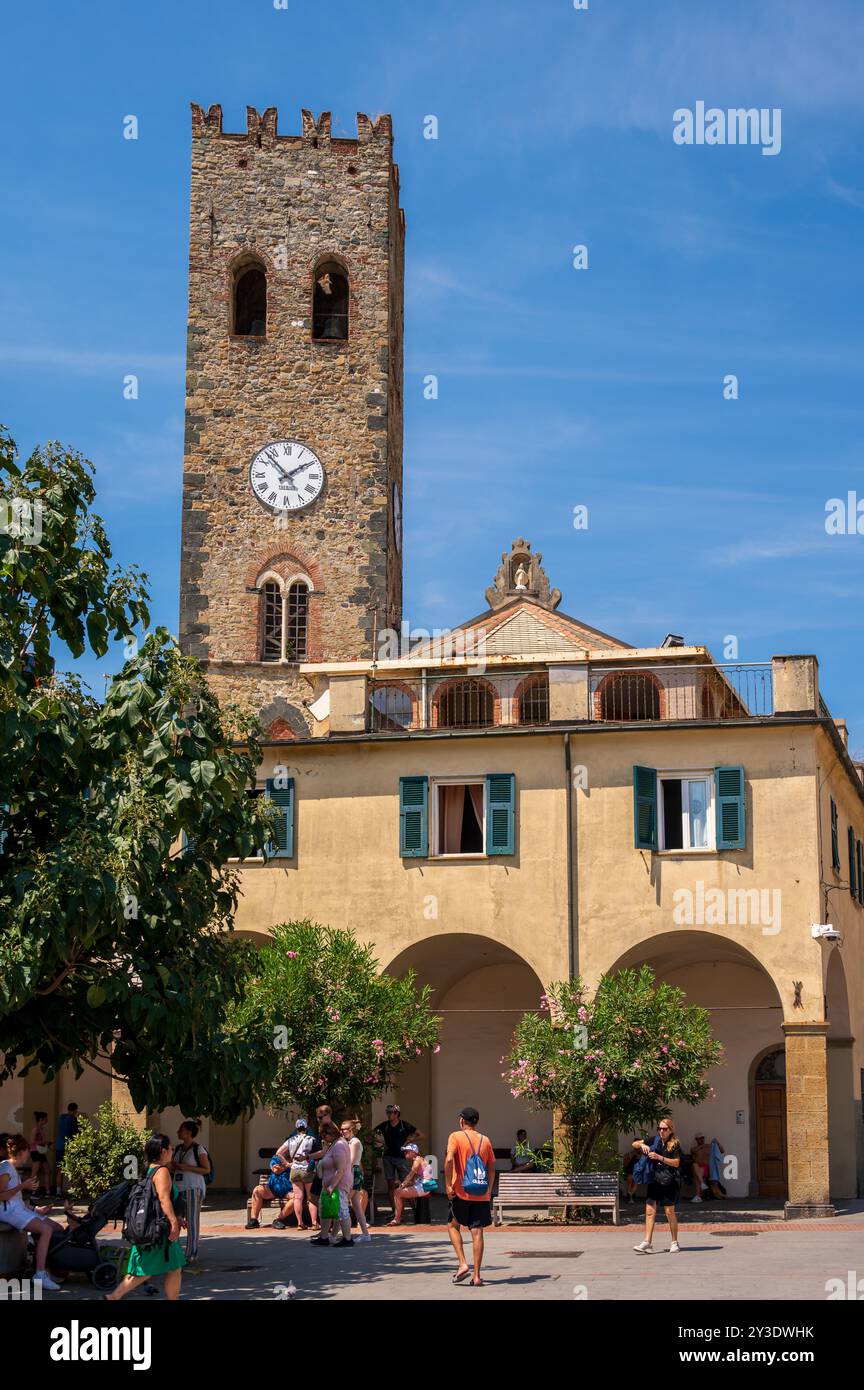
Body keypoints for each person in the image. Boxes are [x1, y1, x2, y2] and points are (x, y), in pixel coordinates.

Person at [107, 1133, 185, 1301]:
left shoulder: (148, 1170)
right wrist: (173, 1222)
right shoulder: (162, 1171)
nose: (172, 1151)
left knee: (172, 1267)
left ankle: (114, 1296)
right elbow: (164, 1200)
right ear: (163, 1151)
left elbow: (155, 1202)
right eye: (171, 1148)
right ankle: (113, 1296)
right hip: (160, 1231)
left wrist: (176, 1218)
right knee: (145, 1270)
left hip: (150, 1226)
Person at [0, 1134, 63, 1291]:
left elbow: (16, 1199)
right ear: (21, 1151)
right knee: (46, 1230)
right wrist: (23, 1186)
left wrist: (36, 1209)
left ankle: (43, 1268)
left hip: (17, 1209)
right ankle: (40, 1274)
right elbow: (1, 1196)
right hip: (8, 1212)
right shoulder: (5, 1167)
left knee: (57, 1228)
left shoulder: (12, 1168)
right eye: (27, 1150)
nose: (29, 1153)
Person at [445, 1106, 495, 1287]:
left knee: (452, 1225)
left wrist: (448, 1184)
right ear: (476, 1122)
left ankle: (463, 1263)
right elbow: (491, 1168)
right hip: (480, 1193)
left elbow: (449, 1159)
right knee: (478, 1232)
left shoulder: (455, 1137)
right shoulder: (486, 1140)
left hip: (461, 1192)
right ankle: (476, 1276)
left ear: (461, 1120)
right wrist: (488, 1190)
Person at [632, 1118, 682, 1254]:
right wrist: (642, 1145)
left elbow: (677, 1162)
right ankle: (647, 1242)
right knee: (649, 1211)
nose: (661, 1131)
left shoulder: (675, 1144)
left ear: (670, 1130)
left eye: (664, 1129)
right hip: (654, 1180)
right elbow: (634, 1144)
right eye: (659, 1128)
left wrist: (660, 1158)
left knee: (669, 1212)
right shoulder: (654, 1140)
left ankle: (674, 1242)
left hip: (668, 1181)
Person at [311, 1119, 353, 1247]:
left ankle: (347, 1239)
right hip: (330, 1185)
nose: (323, 1138)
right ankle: (324, 1237)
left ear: (331, 1133)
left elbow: (340, 1169)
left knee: (342, 1210)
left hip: (338, 1185)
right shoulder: (333, 1144)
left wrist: (331, 1186)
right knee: (325, 1210)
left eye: (324, 1135)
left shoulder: (339, 1145)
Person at [172, 1120, 210, 1259]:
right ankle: (174, 1254)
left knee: (192, 1221)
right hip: (177, 1188)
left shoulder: (198, 1149)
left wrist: (186, 1167)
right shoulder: (178, 1149)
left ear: (188, 1133)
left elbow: (206, 1169)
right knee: (175, 1219)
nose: (178, 1132)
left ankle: (191, 1254)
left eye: (181, 1130)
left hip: (193, 1187)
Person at [374, 1105, 418, 1215]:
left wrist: (410, 1140)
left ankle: (416, 1210)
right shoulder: (385, 1125)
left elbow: (420, 1134)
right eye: (387, 1112)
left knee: (407, 1183)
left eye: (392, 1112)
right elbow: (371, 1134)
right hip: (388, 1157)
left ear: (397, 1113)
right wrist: (381, 1142)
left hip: (401, 1158)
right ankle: (395, 1212)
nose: (389, 1114)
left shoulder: (404, 1124)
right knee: (391, 1184)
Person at [279, 1118, 317, 1232]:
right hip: (307, 1169)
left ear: (296, 1128)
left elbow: (279, 1153)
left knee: (298, 1198)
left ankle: (300, 1223)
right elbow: (317, 1154)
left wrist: (287, 1164)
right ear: (306, 1128)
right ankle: (314, 1223)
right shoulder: (311, 1139)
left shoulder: (290, 1140)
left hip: (294, 1169)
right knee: (311, 1198)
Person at [341, 1118, 370, 1241]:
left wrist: (343, 1174)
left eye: (344, 1129)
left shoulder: (354, 1142)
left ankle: (333, 1234)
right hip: (352, 1172)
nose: (342, 1132)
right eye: (341, 1129)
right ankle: (365, 1234)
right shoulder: (349, 1141)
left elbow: (351, 1161)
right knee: (356, 1206)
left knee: (342, 1202)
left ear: (351, 1130)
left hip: (353, 1172)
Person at [390, 1142, 427, 1225]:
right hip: (422, 1184)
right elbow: (413, 1180)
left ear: (414, 1152)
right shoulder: (419, 1159)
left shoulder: (417, 1160)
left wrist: (402, 1185)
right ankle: (402, 1216)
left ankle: (397, 1218)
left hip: (425, 1186)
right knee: (400, 1192)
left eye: (407, 1151)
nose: (405, 1153)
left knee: (397, 1193)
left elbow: (411, 1175)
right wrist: (403, 1184)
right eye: (405, 1151)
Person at [54, 1102, 79, 1195]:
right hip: (68, 1146)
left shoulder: (61, 1117)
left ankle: (58, 1191)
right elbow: (75, 1133)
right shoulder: (73, 1119)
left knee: (60, 1170)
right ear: (75, 1110)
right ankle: (73, 1191)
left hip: (59, 1145)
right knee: (72, 1169)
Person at [29, 1112, 50, 1194]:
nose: (47, 1120)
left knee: (47, 1170)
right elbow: (32, 1141)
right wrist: (43, 1142)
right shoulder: (36, 1129)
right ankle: (32, 1192)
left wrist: (46, 1143)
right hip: (35, 1151)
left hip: (41, 1151)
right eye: (46, 1119)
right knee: (34, 1172)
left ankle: (48, 1191)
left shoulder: (41, 1129)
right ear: (41, 1119)